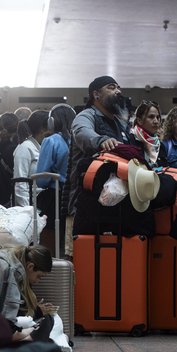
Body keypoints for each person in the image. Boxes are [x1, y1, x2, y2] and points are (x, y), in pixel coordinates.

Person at [67, 76, 131, 240]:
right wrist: (101, 140)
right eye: (111, 87)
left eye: (118, 87)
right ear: (96, 94)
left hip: (113, 203)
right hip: (85, 203)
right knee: (82, 255)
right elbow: (82, 132)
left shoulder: (120, 124)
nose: (118, 91)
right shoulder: (86, 116)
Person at [0, 245, 56, 340]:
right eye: (39, 276)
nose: (37, 281)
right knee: (28, 324)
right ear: (30, 266)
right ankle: (28, 337)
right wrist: (36, 312)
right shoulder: (0, 266)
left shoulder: (12, 267)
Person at [35, 104, 76, 251]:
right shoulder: (79, 140)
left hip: (55, 200)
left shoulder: (51, 141)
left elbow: (41, 180)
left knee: (49, 248)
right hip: (75, 198)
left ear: (52, 121)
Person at [13, 110, 49, 207]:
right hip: (31, 205)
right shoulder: (25, 148)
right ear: (42, 128)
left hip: (43, 202)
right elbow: (20, 182)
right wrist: (27, 209)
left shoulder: (44, 146)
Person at [129, 101, 167, 166]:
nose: (156, 121)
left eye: (157, 118)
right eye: (151, 117)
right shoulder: (130, 140)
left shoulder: (160, 146)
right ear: (139, 120)